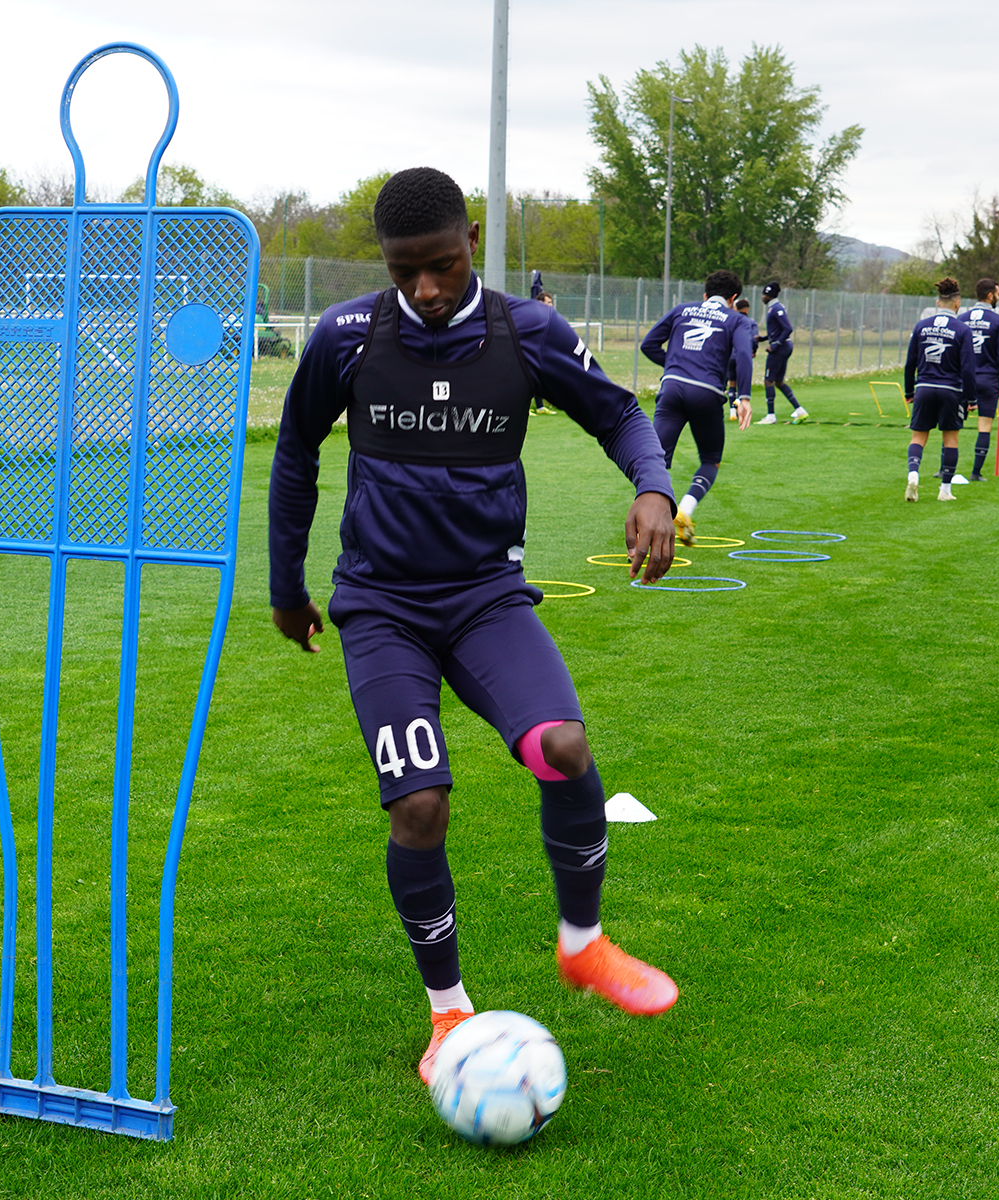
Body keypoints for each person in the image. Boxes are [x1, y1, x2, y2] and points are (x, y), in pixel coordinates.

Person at [267, 167, 682, 1083]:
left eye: (445, 265)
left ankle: (584, 943)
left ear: (471, 242)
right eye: (406, 270)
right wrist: (284, 585)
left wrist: (654, 486)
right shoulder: (345, 338)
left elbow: (615, 411)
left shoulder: (526, 332)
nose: (427, 287)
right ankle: (449, 1016)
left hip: (487, 598)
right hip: (381, 609)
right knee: (419, 804)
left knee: (562, 748)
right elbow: (296, 452)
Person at [639, 270, 755, 543]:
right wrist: (744, 397)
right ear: (733, 298)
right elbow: (743, 357)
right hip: (707, 392)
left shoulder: (683, 309)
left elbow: (648, 344)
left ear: (704, 295)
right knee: (710, 460)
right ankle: (685, 509)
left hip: (672, 389)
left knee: (657, 461)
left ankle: (648, 526)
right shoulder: (737, 319)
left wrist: (674, 364)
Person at [902, 277, 977, 501]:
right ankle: (945, 490)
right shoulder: (962, 329)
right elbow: (968, 369)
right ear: (957, 304)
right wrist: (971, 398)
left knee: (918, 437)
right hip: (950, 390)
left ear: (938, 303)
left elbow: (910, 363)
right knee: (950, 439)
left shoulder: (921, 326)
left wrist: (909, 391)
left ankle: (913, 473)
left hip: (924, 387)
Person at [959, 278, 999, 481]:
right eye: (997, 293)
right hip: (988, 379)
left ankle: (944, 469)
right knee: (985, 425)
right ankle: (975, 472)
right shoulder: (998, 321)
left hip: (964, 379)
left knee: (953, 425)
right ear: (990, 295)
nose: (998, 297)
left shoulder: (961, 318)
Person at [759, 282, 808, 425]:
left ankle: (771, 416)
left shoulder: (776, 309)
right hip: (784, 347)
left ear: (769, 295)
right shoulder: (774, 308)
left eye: (764, 294)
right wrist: (762, 338)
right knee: (779, 381)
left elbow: (787, 328)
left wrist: (774, 346)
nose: (762, 297)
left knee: (769, 380)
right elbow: (776, 331)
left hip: (781, 348)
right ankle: (799, 410)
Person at [729, 297, 761, 421]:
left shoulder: (732, 321)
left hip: (730, 355)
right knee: (741, 383)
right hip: (742, 356)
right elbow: (754, 338)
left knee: (731, 383)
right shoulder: (750, 322)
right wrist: (754, 350)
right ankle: (740, 404)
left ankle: (732, 410)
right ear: (747, 309)